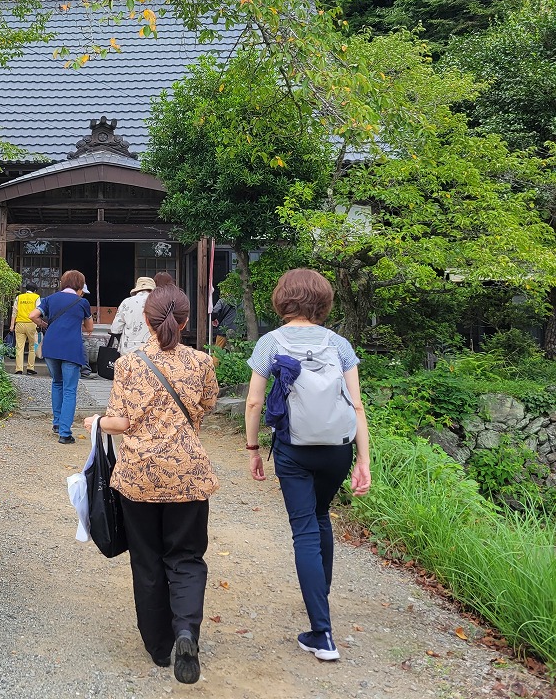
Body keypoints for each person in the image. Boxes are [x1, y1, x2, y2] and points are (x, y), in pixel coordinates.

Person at [83, 284, 217, 684]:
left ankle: (159, 648)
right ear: (187, 321)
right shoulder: (202, 362)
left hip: (139, 477)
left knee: (147, 559)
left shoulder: (129, 365)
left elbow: (121, 422)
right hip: (188, 476)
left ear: (146, 320)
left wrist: (95, 422)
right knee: (187, 557)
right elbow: (206, 406)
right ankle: (186, 633)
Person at [242, 268, 371, 663]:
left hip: (294, 448)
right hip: (337, 447)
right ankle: (321, 597)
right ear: (323, 300)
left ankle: (322, 632)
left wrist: (252, 449)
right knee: (321, 516)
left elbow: (253, 403)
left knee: (304, 530)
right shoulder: (339, 344)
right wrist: (363, 459)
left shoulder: (271, 342)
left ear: (283, 298)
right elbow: (357, 404)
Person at [29, 269, 94, 444]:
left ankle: (57, 424)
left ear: (63, 283)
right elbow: (89, 328)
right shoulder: (82, 302)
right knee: (70, 389)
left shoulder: (50, 299)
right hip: (71, 349)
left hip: (51, 347)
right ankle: (65, 433)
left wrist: (43, 323)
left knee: (57, 383)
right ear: (80, 285)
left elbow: (32, 315)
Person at [108, 275, 156, 356]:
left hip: (128, 352)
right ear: (152, 290)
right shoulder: (158, 303)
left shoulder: (126, 302)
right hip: (151, 351)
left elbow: (115, 329)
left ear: (137, 290)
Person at [10, 282, 41, 376]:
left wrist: (12, 325)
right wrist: (39, 324)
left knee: (19, 347)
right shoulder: (36, 297)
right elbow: (38, 311)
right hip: (31, 323)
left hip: (19, 324)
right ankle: (30, 368)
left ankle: (18, 369)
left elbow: (14, 312)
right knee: (32, 346)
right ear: (35, 290)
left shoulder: (19, 297)